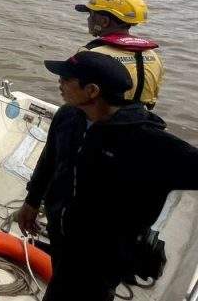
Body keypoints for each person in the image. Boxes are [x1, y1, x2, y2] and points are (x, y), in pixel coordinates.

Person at [16, 51, 198, 300]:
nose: (59, 84)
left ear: (91, 91)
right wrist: (32, 200)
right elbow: (49, 161)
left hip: (104, 254)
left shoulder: (149, 142)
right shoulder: (68, 116)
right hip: (62, 234)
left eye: (66, 80)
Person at [74, 0, 163, 109]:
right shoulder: (153, 55)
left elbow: (74, 95)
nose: (88, 19)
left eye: (91, 14)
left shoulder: (90, 53)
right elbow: (151, 102)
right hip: (139, 120)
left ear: (104, 21)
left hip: (102, 121)